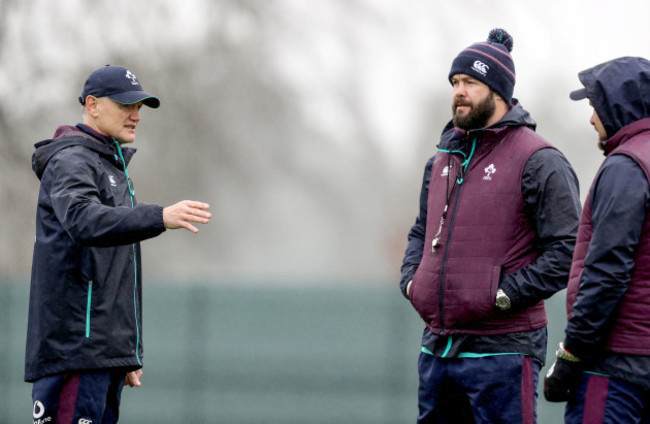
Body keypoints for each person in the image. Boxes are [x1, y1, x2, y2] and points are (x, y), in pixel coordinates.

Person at [399, 28, 581, 423]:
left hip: (504, 351)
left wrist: (503, 295)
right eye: (455, 82)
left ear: (498, 90)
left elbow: (568, 250)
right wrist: (412, 282)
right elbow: (420, 231)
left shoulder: (541, 160)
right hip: (438, 350)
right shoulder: (441, 160)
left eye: (469, 83)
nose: (458, 92)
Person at [24, 65, 212, 424]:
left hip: (97, 355)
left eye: (140, 107)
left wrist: (119, 351)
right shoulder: (71, 159)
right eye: (126, 105)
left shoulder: (108, 164)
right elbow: (83, 220)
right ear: (92, 105)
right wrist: (158, 216)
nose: (136, 115)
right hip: (74, 353)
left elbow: (109, 266)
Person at [543, 57, 650, 423]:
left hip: (615, 366)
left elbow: (606, 272)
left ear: (619, 105)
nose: (591, 119)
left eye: (595, 106)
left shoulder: (626, 167)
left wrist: (570, 355)